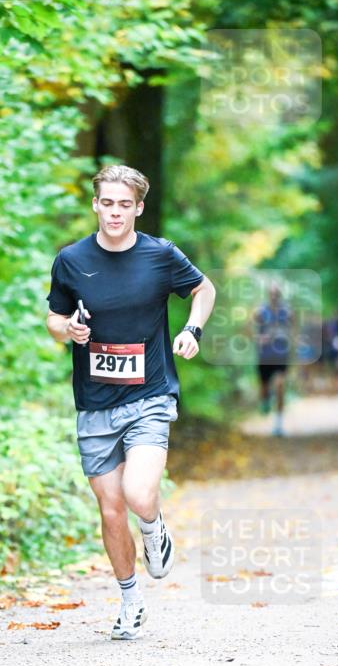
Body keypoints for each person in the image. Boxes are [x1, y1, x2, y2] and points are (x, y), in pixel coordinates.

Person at [46, 164, 215, 641]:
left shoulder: (160, 255)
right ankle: (130, 599)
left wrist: (191, 328)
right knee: (110, 509)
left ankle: (156, 527)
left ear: (138, 207)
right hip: (95, 402)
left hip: (150, 394)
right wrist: (69, 330)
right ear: (95, 204)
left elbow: (204, 289)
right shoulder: (72, 260)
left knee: (139, 495)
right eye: (107, 202)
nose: (115, 212)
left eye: (125, 204)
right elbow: (53, 319)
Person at [253, 281, 293, 437]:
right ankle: (265, 401)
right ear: (268, 294)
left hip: (281, 355)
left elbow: (294, 330)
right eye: (272, 293)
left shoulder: (287, 312)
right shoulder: (260, 311)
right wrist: (259, 337)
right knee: (264, 388)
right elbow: (248, 328)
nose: (274, 296)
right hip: (264, 355)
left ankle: (278, 424)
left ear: (280, 294)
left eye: (277, 293)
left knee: (280, 386)